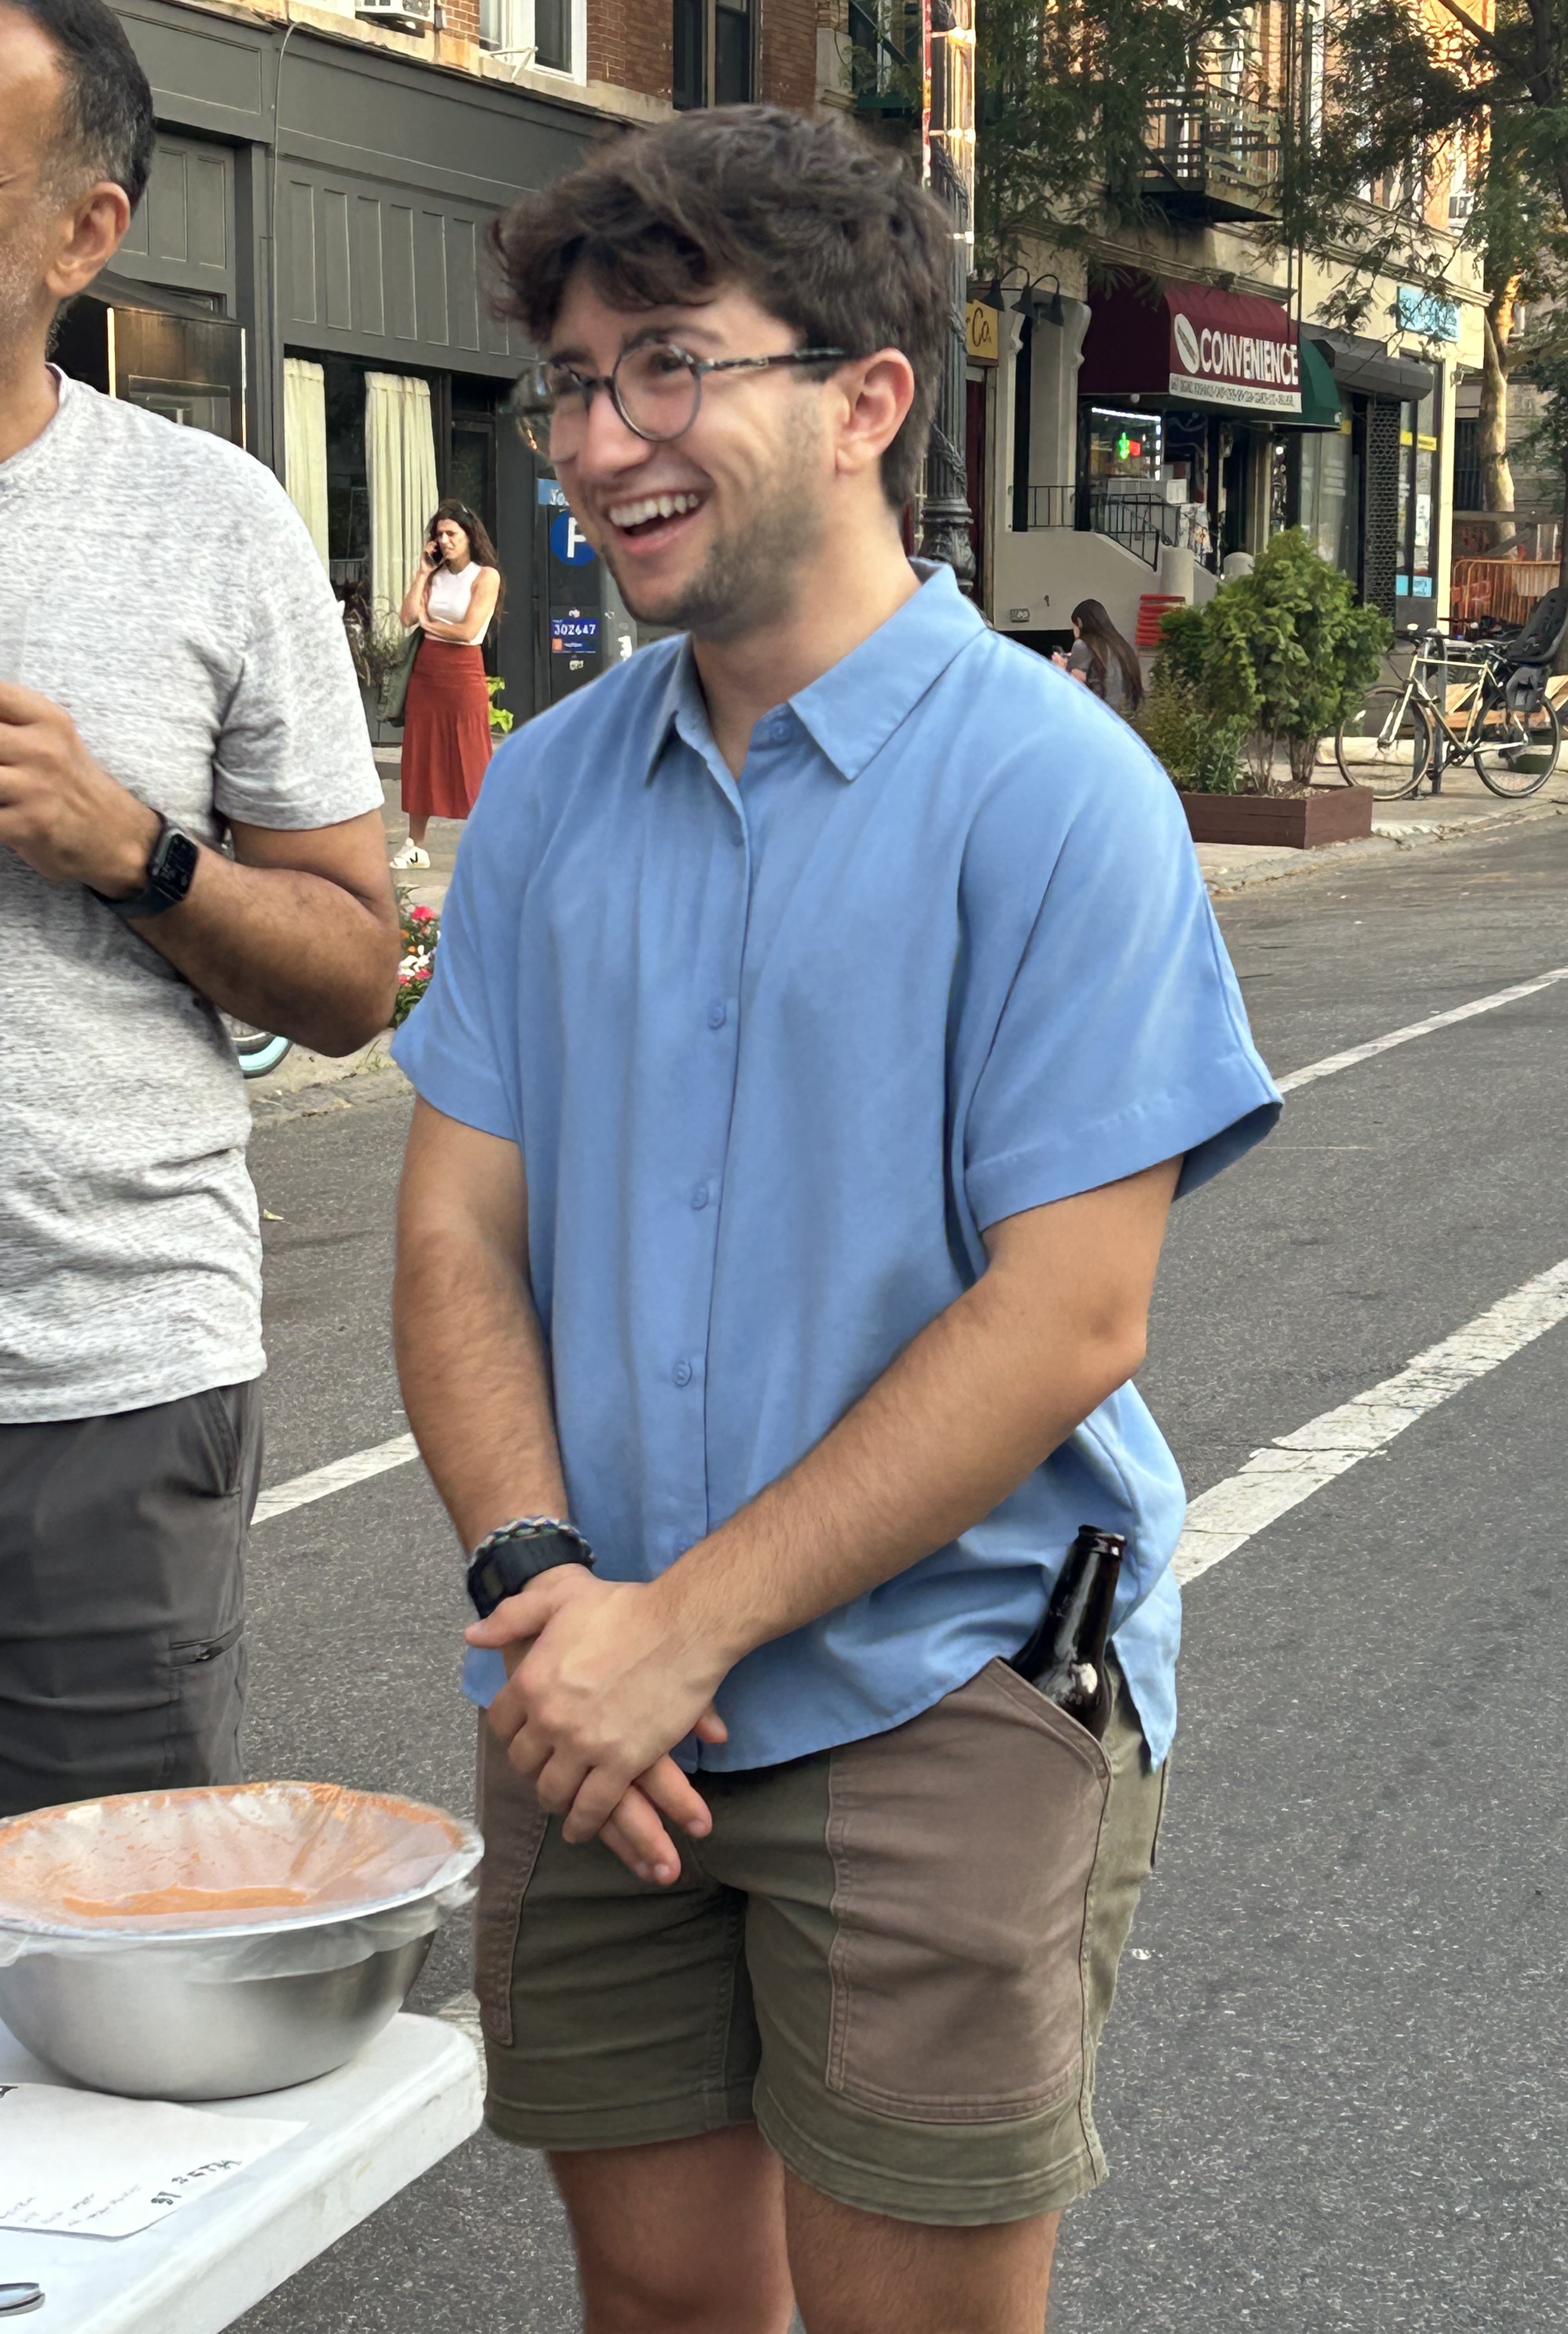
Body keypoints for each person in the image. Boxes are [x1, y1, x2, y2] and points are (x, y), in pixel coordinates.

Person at [391, 107, 1279, 2334]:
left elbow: (1064, 1317)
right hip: (598, 1679)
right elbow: (451, 1233)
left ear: (868, 396)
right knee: (662, 2288)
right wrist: (544, 1580)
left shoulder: (1051, 796)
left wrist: (684, 1622)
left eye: (666, 364)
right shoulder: (550, 795)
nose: (599, 443)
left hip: (937, 1675)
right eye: (572, 385)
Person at [0, 0, 398, 1818]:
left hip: (99, 1387)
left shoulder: (206, 521)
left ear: (88, 232)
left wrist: (130, 846)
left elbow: (354, 977)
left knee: (110, 2008)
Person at [391, 500, 502, 871]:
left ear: (469, 536)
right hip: (428, 674)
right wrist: (422, 573)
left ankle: (489, 842)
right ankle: (415, 844)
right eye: (439, 534)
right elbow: (407, 616)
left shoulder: (486, 576)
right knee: (420, 755)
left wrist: (431, 625)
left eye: (451, 533)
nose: (444, 540)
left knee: (471, 755)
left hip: (463, 672)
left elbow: (470, 631)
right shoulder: (434, 576)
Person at [1052, 597, 1143, 713]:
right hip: (1122, 718)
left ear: (1079, 623)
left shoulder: (1083, 645)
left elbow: (1074, 687)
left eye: (1073, 627)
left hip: (1097, 714)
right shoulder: (1122, 646)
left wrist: (1061, 669)